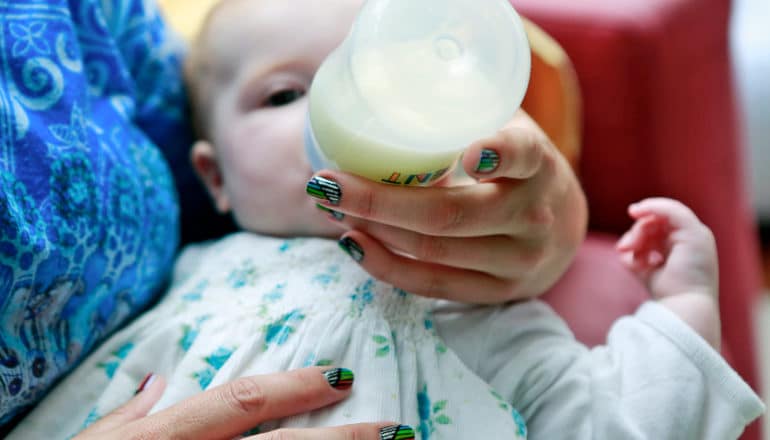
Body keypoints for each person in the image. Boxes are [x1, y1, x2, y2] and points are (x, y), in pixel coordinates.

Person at [9, 0, 764, 438]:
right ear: (212, 176)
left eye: (381, 86)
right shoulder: (182, 286)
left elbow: (614, 424)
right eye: (283, 96)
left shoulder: (477, 306)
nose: (343, 114)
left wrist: (685, 310)